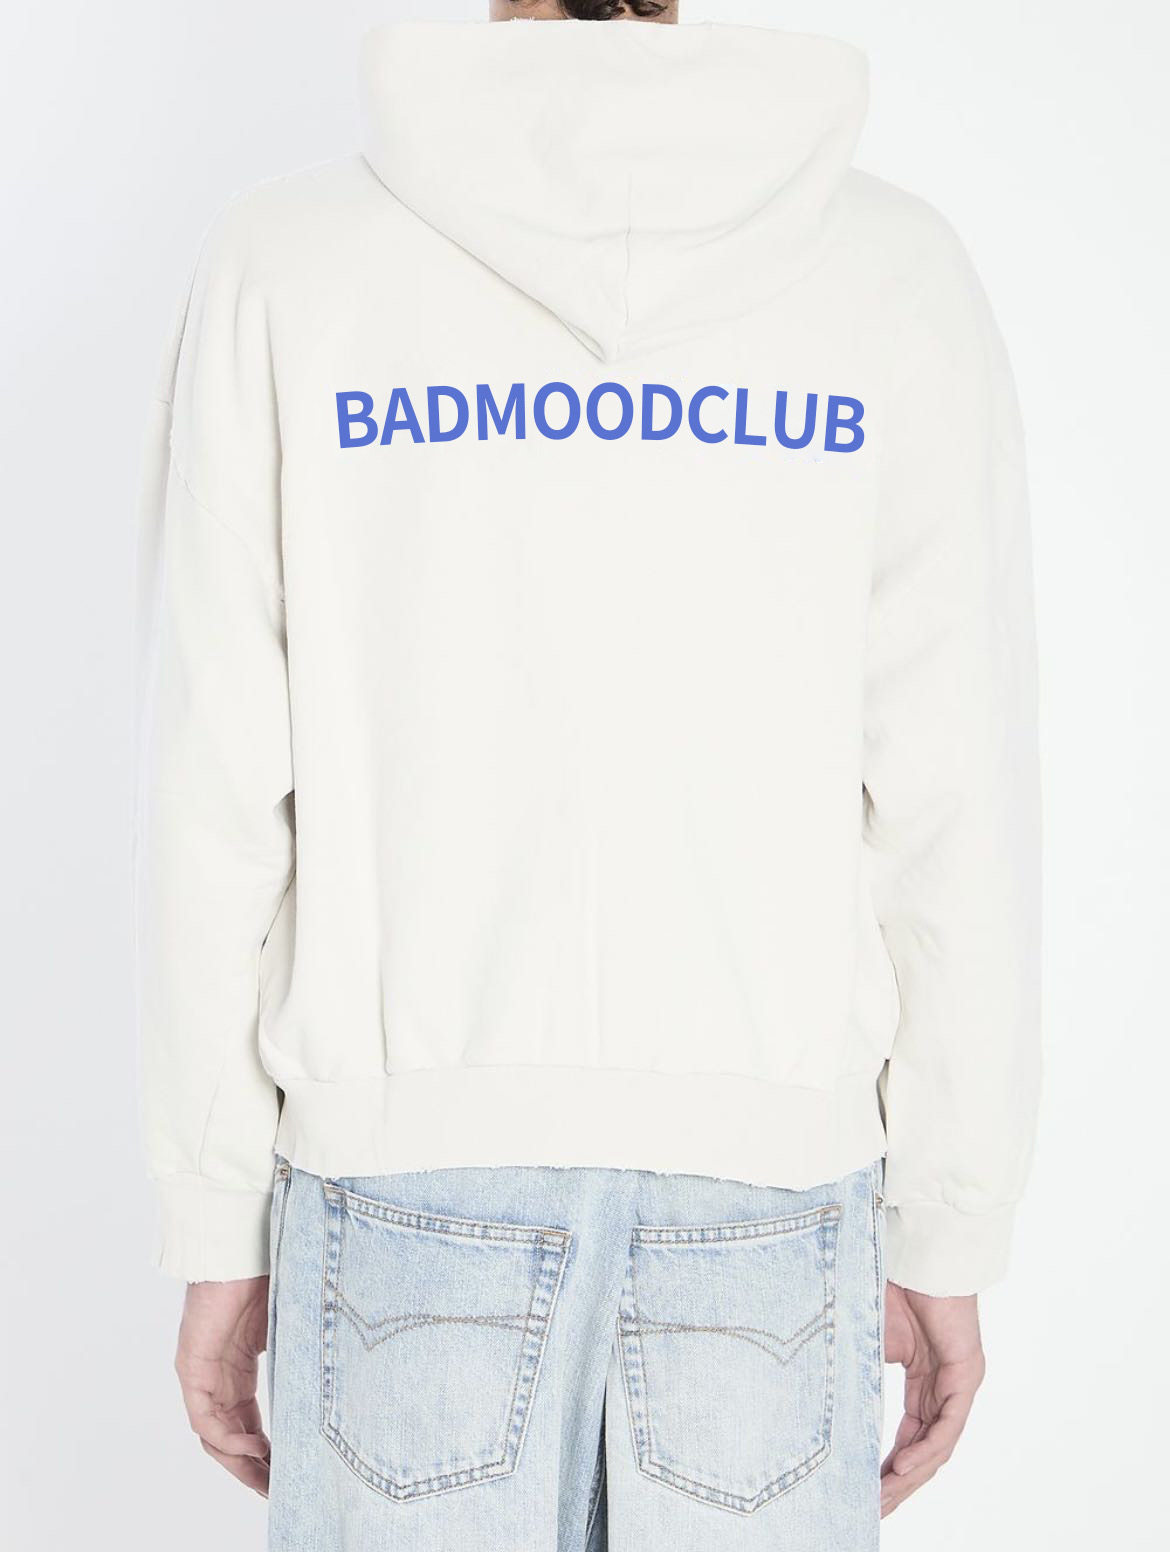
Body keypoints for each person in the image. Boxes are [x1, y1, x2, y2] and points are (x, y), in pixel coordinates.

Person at [135, 1, 1040, 1547]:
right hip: (770, 1188)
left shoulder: (288, 265)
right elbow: (954, 794)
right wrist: (948, 1220)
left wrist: (216, 1215)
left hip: (402, 1176)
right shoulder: (892, 276)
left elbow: (214, 791)